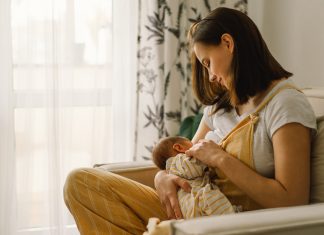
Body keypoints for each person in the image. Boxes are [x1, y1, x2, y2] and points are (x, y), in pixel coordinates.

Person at [63, 7, 317, 235]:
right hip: (189, 212)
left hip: (230, 222)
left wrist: (221, 159)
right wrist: (161, 177)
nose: (211, 76)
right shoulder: (220, 106)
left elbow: (292, 199)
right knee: (80, 183)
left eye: (208, 63)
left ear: (228, 43)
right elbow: (184, 161)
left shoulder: (285, 104)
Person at [152, 136, 235, 219]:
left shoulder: (173, 170)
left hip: (188, 207)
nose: (196, 145)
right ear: (179, 148)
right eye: (192, 144)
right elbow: (193, 168)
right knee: (217, 203)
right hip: (199, 199)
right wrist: (207, 156)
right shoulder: (179, 160)